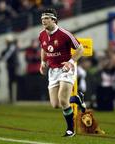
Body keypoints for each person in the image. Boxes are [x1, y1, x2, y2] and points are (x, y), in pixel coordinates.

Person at [39, 8, 84, 137]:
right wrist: (43, 62)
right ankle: (76, 98)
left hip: (66, 68)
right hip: (53, 71)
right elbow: (43, 48)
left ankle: (70, 130)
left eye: (46, 18)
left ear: (54, 20)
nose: (43, 21)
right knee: (56, 104)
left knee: (63, 100)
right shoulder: (42, 34)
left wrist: (70, 62)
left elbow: (80, 49)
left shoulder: (65, 34)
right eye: (42, 19)